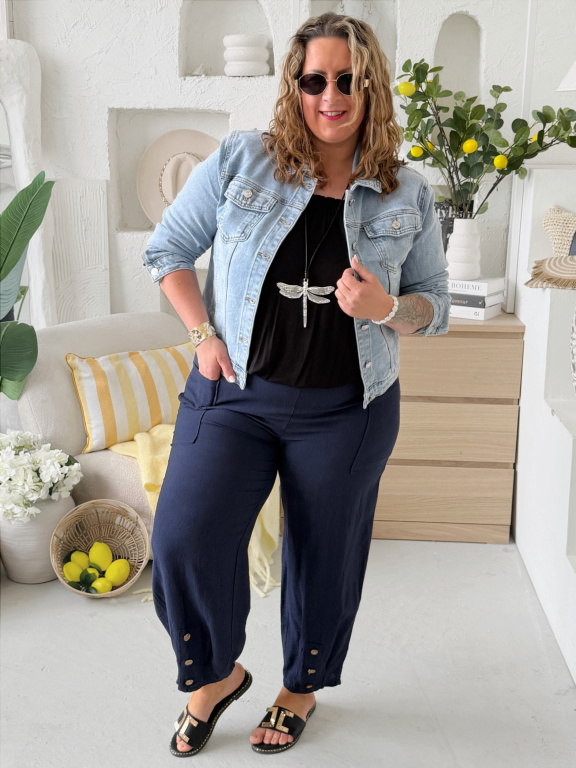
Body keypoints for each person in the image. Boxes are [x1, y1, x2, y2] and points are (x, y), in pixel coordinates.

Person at [141, 11, 450, 758]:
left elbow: (435, 307)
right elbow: (169, 250)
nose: (331, 97)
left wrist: (386, 309)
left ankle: (300, 687)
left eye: (348, 80)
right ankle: (216, 674)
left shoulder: (406, 193)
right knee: (182, 535)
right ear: (295, 85)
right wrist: (202, 336)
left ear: (371, 88)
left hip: (348, 410)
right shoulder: (242, 159)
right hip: (235, 394)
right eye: (315, 80)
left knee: (325, 556)